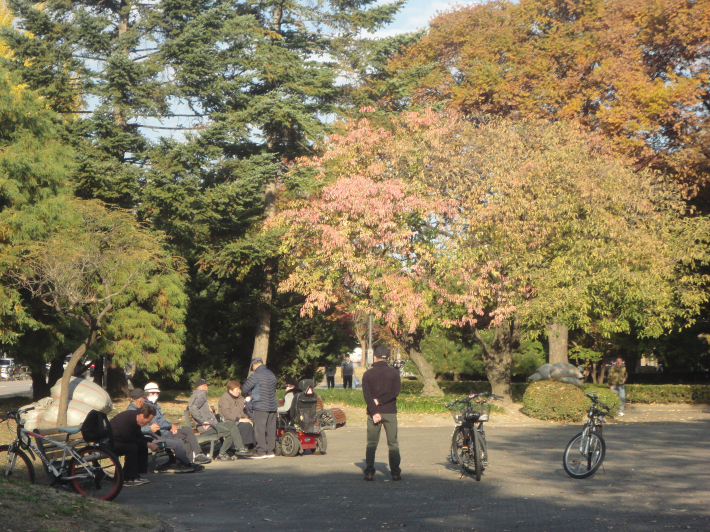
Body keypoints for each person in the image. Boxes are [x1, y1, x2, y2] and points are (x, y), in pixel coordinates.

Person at [128, 383, 209, 472]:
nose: (145, 399)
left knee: (184, 438)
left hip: (154, 434)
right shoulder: (137, 410)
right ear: (140, 400)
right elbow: (135, 429)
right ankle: (185, 464)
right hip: (151, 437)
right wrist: (152, 429)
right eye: (145, 397)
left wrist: (170, 426)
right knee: (178, 442)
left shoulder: (145, 407)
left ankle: (186, 463)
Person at [362, 345, 401, 481]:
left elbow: (367, 396)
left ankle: (369, 472)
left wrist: (374, 411)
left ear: (375, 357)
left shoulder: (367, 374)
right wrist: (381, 400)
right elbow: (394, 393)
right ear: (388, 358)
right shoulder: (394, 373)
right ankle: (395, 473)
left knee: (372, 443)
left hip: (373, 414)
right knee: (393, 443)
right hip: (390, 412)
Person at [188, 378, 251, 460]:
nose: (208, 388)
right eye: (207, 386)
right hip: (208, 428)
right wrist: (203, 421)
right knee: (228, 433)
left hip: (213, 425)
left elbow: (193, 406)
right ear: (203, 386)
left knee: (231, 424)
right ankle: (222, 454)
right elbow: (193, 408)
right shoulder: (200, 395)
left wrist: (209, 408)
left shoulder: (198, 395)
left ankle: (240, 448)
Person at [110, 402, 157, 486]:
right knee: (132, 448)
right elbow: (127, 437)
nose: (147, 424)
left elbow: (138, 436)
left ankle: (136, 475)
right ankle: (126, 478)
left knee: (140, 445)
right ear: (142, 416)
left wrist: (151, 441)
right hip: (110, 442)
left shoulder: (136, 419)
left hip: (120, 440)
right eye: (147, 421)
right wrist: (147, 444)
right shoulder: (127, 418)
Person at [242, 357, 279, 459]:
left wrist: (249, 394)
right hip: (272, 405)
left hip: (260, 405)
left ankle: (261, 451)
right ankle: (271, 451)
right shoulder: (271, 374)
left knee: (260, 429)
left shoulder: (255, 375)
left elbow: (245, 389)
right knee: (271, 429)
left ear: (254, 365)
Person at [217, 380, 255, 449]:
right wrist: (241, 420)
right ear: (230, 390)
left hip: (238, 420)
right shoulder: (225, 398)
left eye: (239, 389)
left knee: (254, 422)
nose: (239, 391)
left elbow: (242, 412)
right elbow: (227, 414)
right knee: (246, 425)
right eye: (237, 389)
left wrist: (248, 419)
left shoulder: (239, 398)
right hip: (229, 422)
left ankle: (253, 445)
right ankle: (242, 446)